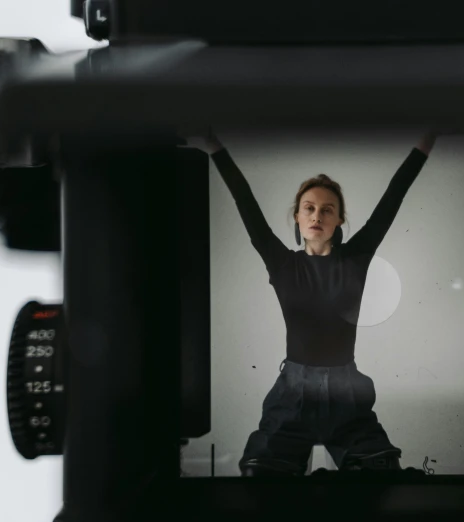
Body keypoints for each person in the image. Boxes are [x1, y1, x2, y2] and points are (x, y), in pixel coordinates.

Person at [183, 128, 437, 476]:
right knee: (263, 479)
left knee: (381, 475)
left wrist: (428, 140)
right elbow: (245, 201)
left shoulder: (356, 258)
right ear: (298, 218)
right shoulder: (282, 263)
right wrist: (213, 144)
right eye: (310, 208)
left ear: (338, 221)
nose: (317, 215)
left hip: (347, 398)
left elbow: (394, 196)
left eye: (327, 210)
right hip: (292, 399)